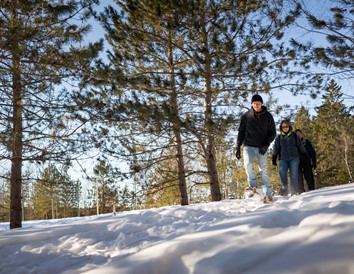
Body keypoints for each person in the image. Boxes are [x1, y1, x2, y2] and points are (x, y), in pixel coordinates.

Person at [236, 94, 276, 203]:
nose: (256, 105)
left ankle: (268, 195)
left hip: (262, 146)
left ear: (262, 104)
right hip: (248, 145)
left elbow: (273, 133)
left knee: (263, 169)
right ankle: (253, 188)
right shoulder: (246, 116)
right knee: (248, 164)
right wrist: (238, 147)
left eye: (258, 103)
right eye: (254, 103)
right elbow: (241, 132)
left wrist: (266, 144)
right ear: (251, 104)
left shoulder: (268, 116)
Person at [272, 120, 307, 196]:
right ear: (281, 127)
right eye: (283, 127)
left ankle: (294, 193)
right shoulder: (279, 137)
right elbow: (276, 148)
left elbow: (300, 145)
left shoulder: (294, 135)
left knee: (294, 175)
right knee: (282, 173)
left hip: (294, 158)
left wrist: (304, 153)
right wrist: (274, 157)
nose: (285, 128)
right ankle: (285, 188)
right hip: (283, 159)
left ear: (289, 127)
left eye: (286, 126)